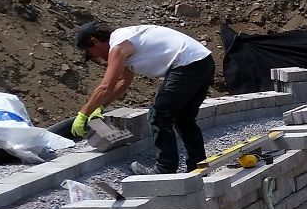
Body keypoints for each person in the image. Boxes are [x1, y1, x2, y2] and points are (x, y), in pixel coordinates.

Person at [72, 21, 215, 174]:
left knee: (159, 116)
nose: (96, 57)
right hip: (203, 61)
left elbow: (106, 86)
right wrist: (101, 107)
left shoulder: (119, 45)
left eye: (91, 52)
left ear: (94, 41)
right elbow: (123, 81)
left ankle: (164, 170)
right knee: (184, 119)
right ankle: (198, 168)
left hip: (188, 64)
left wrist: (83, 114)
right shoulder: (126, 39)